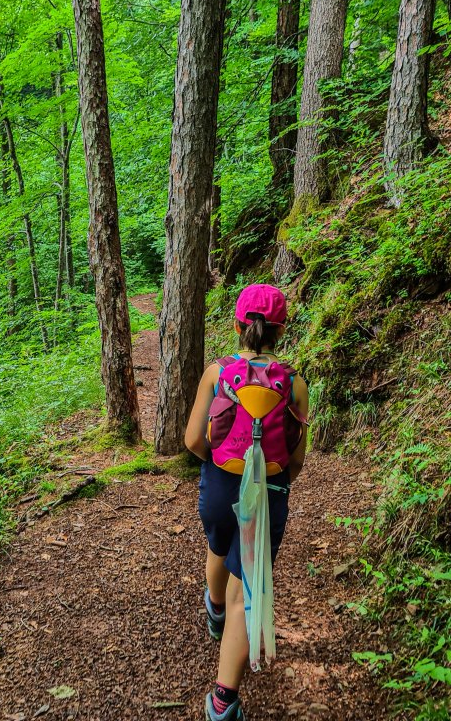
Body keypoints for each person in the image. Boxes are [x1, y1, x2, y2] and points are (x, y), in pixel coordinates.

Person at [184, 283, 309, 721]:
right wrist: (275, 483)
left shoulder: (217, 373)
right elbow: (295, 460)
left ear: (238, 325)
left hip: (221, 482)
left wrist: (218, 466)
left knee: (218, 545)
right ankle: (223, 702)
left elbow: (193, 440)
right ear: (281, 330)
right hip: (269, 489)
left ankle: (214, 610)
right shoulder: (294, 382)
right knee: (247, 586)